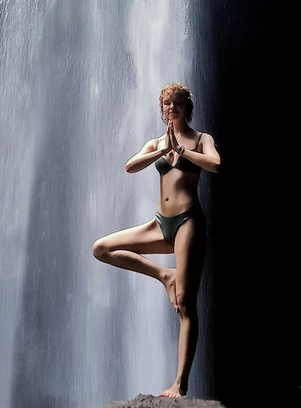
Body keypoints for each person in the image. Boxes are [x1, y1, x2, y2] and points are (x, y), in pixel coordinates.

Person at [92, 82, 220, 398]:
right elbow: (129, 166)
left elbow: (217, 164)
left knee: (186, 304)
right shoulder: (157, 142)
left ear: (187, 107)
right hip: (160, 223)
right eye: (167, 104)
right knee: (102, 248)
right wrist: (163, 151)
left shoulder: (202, 140)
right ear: (162, 109)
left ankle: (180, 383)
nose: (172, 108)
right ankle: (164, 275)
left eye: (177, 103)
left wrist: (183, 152)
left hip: (188, 223)